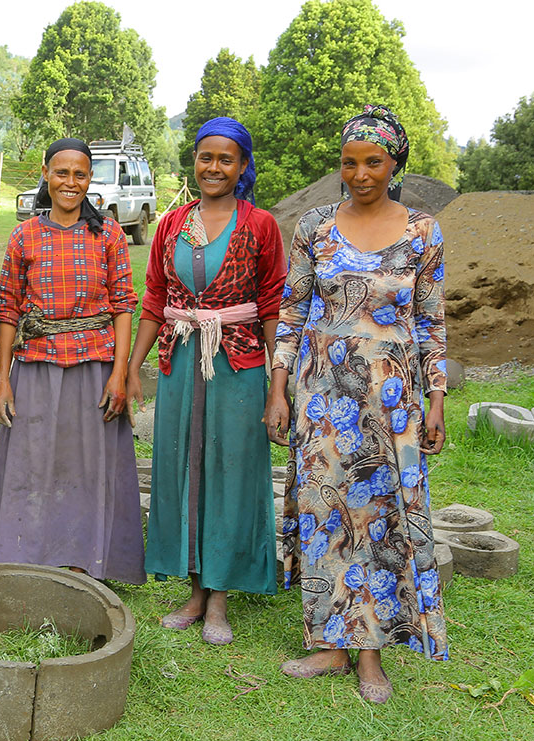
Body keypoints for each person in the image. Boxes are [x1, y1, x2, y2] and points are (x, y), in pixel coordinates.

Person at [263, 104, 449, 704]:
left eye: (374, 161)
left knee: (379, 522)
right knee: (326, 514)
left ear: (395, 164)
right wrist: (278, 390)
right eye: (349, 162)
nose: (360, 173)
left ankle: (371, 655)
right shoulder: (315, 227)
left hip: (390, 404)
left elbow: (430, 321)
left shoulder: (423, 231)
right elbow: (292, 313)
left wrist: (437, 396)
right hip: (320, 399)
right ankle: (330, 645)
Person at [126, 118, 285, 644]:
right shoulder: (172, 224)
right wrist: (133, 368)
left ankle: (220, 596)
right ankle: (194, 588)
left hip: (238, 364)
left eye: (225, 159)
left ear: (242, 166)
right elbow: (153, 298)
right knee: (182, 466)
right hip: (179, 361)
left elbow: (271, 304)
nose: (213, 167)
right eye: (204, 157)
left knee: (231, 470)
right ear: (193, 161)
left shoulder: (259, 224)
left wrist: (278, 384)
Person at [0, 137, 145, 584]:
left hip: (94, 367)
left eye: (80, 174)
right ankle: (25, 554)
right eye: (62, 172)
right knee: (31, 461)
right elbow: (8, 307)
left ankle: (85, 559)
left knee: (87, 466)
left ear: (89, 180)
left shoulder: (107, 233)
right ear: (46, 174)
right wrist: (3, 379)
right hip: (36, 366)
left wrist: (120, 374)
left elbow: (124, 305)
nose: (71, 182)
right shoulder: (25, 235)